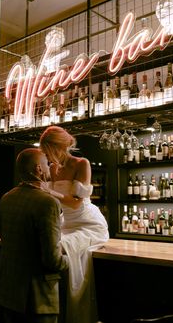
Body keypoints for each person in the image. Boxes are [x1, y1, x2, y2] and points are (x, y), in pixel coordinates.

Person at [39, 126, 109, 323]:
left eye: (48, 150)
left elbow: (76, 201)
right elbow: (56, 202)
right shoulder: (53, 168)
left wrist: (49, 191)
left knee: (60, 247)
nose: (46, 155)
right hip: (66, 221)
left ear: (59, 147)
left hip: (88, 223)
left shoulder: (81, 163)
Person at [0, 148, 69, 323]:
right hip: (36, 297)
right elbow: (52, 260)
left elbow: (5, 238)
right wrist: (73, 256)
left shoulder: (7, 198)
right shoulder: (48, 203)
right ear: (38, 169)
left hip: (8, 292)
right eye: (47, 163)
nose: (50, 167)